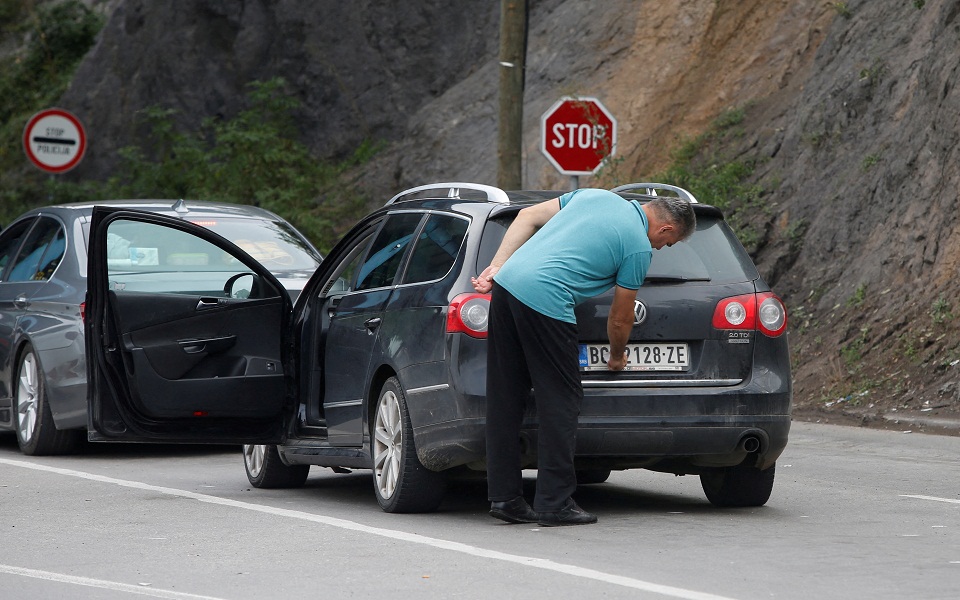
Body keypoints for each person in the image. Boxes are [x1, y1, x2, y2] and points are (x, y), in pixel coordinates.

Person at [471, 188, 696, 526]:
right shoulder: (637, 246)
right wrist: (617, 357)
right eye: (669, 242)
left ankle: (505, 498)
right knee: (561, 400)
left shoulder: (594, 196)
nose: (662, 248)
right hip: (545, 300)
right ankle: (554, 502)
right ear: (666, 229)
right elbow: (621, 318)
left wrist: (496, 267)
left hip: (506, 288)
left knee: (506, 396)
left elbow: (526, 216)